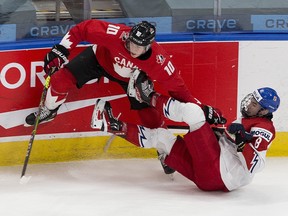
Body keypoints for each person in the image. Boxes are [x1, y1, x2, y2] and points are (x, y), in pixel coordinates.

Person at [24, 20, 225, 173]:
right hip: (99, 60)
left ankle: (165, 150)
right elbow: (82, 29)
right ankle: (49, 109)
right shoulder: (117, 34)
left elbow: (180, 92)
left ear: (148, 47)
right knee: (60, 79)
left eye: (138, 47)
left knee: (151, 116)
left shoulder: (160, 63)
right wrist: (61, 50)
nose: (132, 49)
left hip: (132, 79)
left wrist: (201, 108)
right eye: (131, 43)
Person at [91, 84, 280, 191]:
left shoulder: (264, 128)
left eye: (254, 104)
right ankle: (110, 125)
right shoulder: (251, 120)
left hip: (220, 170)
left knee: (194, 113)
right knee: (162, 137)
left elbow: (256, 164)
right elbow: (235, 146)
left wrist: (240, 141)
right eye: (251, 99)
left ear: (264, 111)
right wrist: (222, 134)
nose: (248, 104)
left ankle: (148, 96)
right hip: (209, 180)